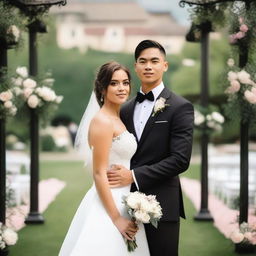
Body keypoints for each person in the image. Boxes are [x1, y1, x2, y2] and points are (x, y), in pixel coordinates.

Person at [107, 40, 194, 256]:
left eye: (154, 61)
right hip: (123, 202)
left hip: (162, 205)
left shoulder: (181, 107)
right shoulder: (124, 109)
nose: (148, 66)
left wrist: (134, 176)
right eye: (142, 61)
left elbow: (180, 159)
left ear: (165, 65)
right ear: (135, 67)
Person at [58, 61, 150, 255]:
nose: (122, 88)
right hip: (109, 200)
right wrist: (116, 218)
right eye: (114, 83)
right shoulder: (102, 121)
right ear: (102, 88)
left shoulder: (118, 118)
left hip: (126, 196)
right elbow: (99, 173)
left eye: (125, 82)